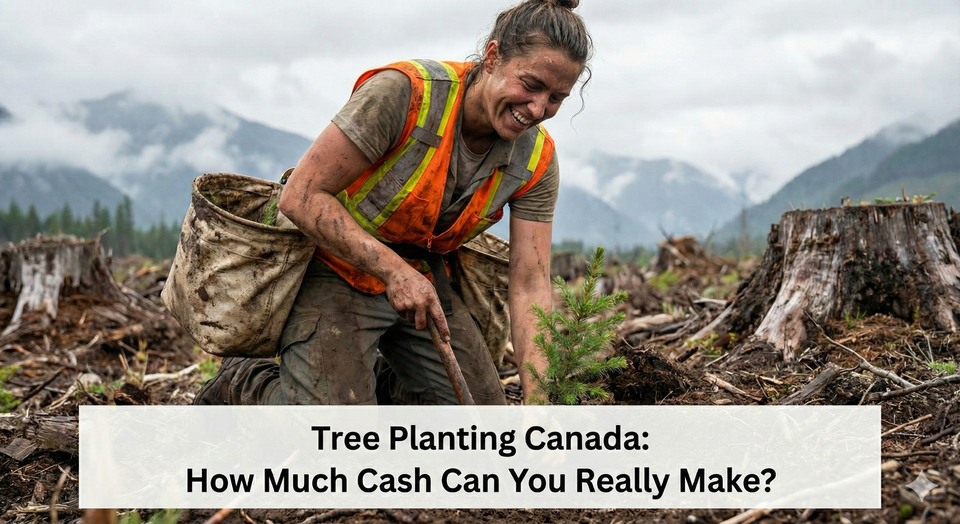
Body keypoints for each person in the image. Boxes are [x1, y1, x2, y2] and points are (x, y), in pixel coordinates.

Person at [194, 0, 592, 406]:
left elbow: (529, 283)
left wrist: (540, 402)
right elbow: (301, 196)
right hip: (334, 267)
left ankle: (373, 387)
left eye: (556, 98)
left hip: (425, 282)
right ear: (492, 57)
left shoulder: (537, 160)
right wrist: (393, 272)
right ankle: (247, 380)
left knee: (479, 431)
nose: (538, 109)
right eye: (531, 85)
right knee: (332, 440)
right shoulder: (406, 94)